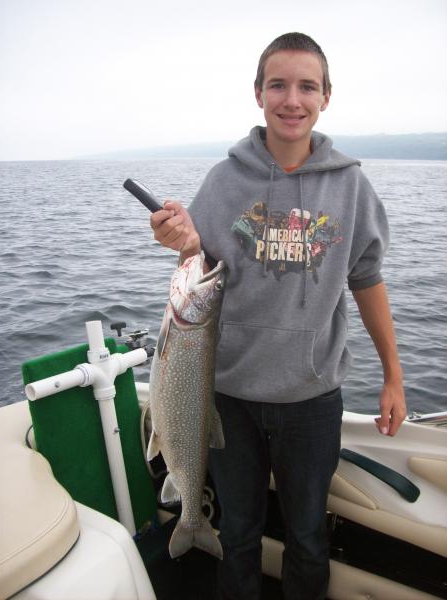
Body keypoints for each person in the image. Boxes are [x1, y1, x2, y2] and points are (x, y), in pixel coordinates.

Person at [150, 32, 406, 600]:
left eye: (307, 87)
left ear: (326, 97)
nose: (292, 100)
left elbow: (366, 278)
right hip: (227, 398)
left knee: (308, 538)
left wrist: (393, 375)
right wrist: (183, 242)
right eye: (278, 85)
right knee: (239, 532)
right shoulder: (224, 180)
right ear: (258, 94)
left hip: (312, 399)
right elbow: (199, 269)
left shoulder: (351, 186)